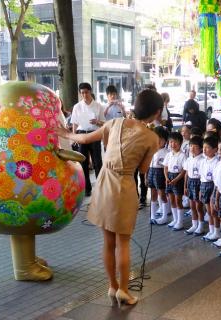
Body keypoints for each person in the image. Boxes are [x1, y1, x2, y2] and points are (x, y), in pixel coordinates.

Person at [55, 89, 161, 307]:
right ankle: (123, 290)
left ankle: (112, 286)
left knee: (108, 242)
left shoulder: (115, 123)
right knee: (123, 244)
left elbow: (84, 138)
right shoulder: (152, 138)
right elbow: (142, 169)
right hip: (124, 186)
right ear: (157, 112)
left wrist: (64, 134)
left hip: (104, 182)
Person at [71, 82, 105, 197]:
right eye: (82, 93)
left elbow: (104, 124)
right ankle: (87, 188)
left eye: (86, 92)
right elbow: (75, 123)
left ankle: (100, 187)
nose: (84, 95)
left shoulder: (98, 106)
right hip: (81, 134)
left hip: (94, 133)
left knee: (97, 162)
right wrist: (74, 136)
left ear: (90, 91)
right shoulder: (77, 106)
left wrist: (97, 122)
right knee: (83, 162)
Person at [163, 132, 187, 231]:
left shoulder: (182, 155)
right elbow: (165, 167)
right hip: (169, 178)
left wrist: (176, 179)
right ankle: (175, 219)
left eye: (175, 142)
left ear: (180, 143)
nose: (172, 144)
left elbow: (184, 170)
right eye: (171, 142)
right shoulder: (168, 154)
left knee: (178, 200)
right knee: (171, 199)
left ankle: (180, 222)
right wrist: (166, 177)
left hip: (178, 179)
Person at [147, 127, 170, 224]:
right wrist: (146, 176)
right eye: (157, 138)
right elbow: (148, 164)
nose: (159, 141)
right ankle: (152, 215)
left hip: (160, 173)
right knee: (153, 194)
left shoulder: (167, 153)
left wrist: (166, 178)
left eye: (161, 139)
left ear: (166, 140)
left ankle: (164, 216)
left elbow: (167, 168)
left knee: (162, 194)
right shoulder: (151, 150)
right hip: (152, 172)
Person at [199, 136, 220, 241]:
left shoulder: (216, 162)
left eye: (207, 147)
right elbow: (201, 177)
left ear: (215, 150)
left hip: (212, 186)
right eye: (203, 147)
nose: (204, 150)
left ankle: (216, 232)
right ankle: (211, 231)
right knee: (208, 211)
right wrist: (200, 190)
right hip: (204, 185)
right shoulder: (203, 161)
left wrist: (214, 193)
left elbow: (216, 180)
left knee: (213, 212)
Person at [183, 136, 204, 235]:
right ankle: (194, 224)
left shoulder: (202, 160)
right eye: (191, 146)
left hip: (198, 183)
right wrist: (185, 186)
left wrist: (200, 189)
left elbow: (202, 177)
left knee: (198, 206)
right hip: (190, 182)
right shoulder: (189, 159)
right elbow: (186, 173)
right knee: (192, 206)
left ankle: (200, 226)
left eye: (195, 147)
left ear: (200, 148)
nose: (192, 149)